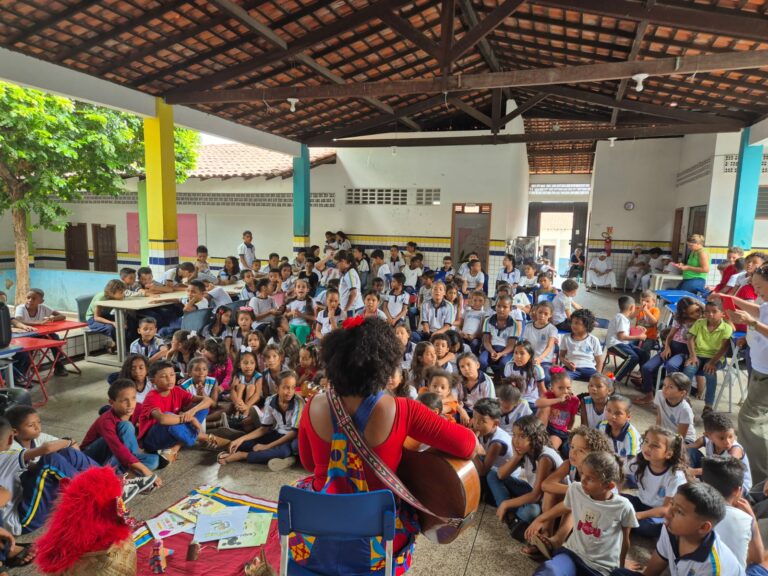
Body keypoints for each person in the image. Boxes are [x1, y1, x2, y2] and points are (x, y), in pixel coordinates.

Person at [295, 317, 476, 574]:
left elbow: (309, 464)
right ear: (385, 364)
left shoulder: (312, 406)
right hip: (378, 543)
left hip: (318, 536)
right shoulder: (403, 410)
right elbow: (467, 445)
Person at [527, 452, 637, 575]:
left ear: (609, 485)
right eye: (582, 473)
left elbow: (625, 540)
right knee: (549, 571)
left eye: (590, 478)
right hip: (572, 554)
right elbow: (564, 507)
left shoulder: (623, 506)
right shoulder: (576, 489)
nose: (583, 480)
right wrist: (540, 519)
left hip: (601, 568)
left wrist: (621, 566)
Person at [612, 482, 743, 576]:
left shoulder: (712, 568)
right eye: (672, 505)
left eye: (679, 512)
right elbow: (657, 562)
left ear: (703, 527)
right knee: (617, 573)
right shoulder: (670, 528)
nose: (668, 514)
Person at [721, 265, 768, 484]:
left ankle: (760, 477)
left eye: (759, 286)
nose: (757, 292)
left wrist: (752, 324)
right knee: (758, 420)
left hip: (765, 375)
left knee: (749, 420)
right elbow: (759, 310)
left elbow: (757, 319)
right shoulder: (765, 303)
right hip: (759, 369)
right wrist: (729, 298)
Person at [489, 415, 563, 540]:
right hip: (533, 492)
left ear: (535, 438)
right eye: (515, 435)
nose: (516, 440)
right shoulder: (526, 450)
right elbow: (501, 475)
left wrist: (506, 503)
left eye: (522, 436)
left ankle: (510, 512)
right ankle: (512, 517)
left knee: (529, 512)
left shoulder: (545, 457)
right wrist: (517, 457)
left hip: (548, 503)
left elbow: (536, 496)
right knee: (492, 474)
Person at [137, 360, 222, 463]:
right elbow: (163, 419)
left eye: (172, 375)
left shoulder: (177, 390)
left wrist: (192, 412)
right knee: (169, 417)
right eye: (164, 376)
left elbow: (208, 401)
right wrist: (192, 420)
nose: (169, 379)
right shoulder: (151, 397)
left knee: (202, 407)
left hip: (173, 431)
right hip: (153, 440)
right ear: (152, 381)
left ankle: (175, 448)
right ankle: (203, 438)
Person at [219, 370, 304, 470]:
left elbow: (294, 433)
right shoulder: (270, 400)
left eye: (293, 387)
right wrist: (241, 439)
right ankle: (236, 449)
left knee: (283, 452)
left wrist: (266, 446)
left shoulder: (298, 402)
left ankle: (243, 455)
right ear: (277, 388)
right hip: (277, 433)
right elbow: (263, 429)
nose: (290, 391)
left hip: (291, 438)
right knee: (243, 443)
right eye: (286, 387)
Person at [81, 379, 161, 479]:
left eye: (133, 398)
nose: (130, 404)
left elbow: (152, 422)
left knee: (154, 460)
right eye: (124, 400)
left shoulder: (137, 408)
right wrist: (145, 470)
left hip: (117, 455)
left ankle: (123, 472)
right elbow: (117, 448)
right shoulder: (106, 420)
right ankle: (121, 472)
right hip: (92, 457)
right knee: (126, 426)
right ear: (111, 402)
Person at [701, 456, 768, 574]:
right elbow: (758, 558)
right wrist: (752, 520)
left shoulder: (685, 508)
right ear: (738, 491)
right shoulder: (745, 519)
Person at [623, 425, 688, 539]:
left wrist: (639, 515)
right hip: (641, 503)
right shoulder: (638, 461)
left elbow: (666, 509)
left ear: (668, 454)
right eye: (646, 441)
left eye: (655, 446)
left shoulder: (675, 476)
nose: (647, 447)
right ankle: (627, 521)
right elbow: (620, 478)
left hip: (660, 513)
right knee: (617, 499)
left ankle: (627, 521)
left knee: (650, 526)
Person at [636, 296, 703, 406]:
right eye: (692, 313)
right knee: (646, 368)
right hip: (671, 347)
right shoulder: (679, 319)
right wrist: (667, 347)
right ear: (684, 313)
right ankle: (649, 395)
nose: (697, 314)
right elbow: (670, 336)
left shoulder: (702, 322)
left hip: (684, 351)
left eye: (697, 310)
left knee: (672, 366)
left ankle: (670, 397)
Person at [683, 300, 733, 412]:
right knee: (688, 370)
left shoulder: (726, 328)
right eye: (707, 312)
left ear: (722, 313)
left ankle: (708, 405)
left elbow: (724, 348)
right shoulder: (700, 323)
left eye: (714, 311)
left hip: (716, 357)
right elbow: (690, 339)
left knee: (709, 373)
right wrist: (693, 356)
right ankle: (684, 399)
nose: (710, 314)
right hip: (698, 355)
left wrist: (712, 362)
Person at [688, 412, 752, 495]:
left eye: (731, 436)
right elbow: (689, 447)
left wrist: (694, 471)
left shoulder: (735, 450)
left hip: (735, 486)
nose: (728, 442)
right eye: (722, 438)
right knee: (691, 452)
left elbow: (724, 470)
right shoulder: (706, 440)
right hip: (714, 476)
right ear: (708, 436)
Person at [11, 288, 68, 377]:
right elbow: (18, 321)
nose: (30, 300)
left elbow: (62, 316)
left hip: (40, 334)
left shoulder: (43, 307)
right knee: (27, 350)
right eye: (28, 297)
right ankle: (23, 372)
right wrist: (37, 323)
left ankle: (58, 364)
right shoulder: (21, 308)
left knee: (54, 337)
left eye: (34, 298)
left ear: (41, 301)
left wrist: (51, 318)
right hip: (26, 336)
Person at [605, 296, 649, 383]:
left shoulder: (623, 317)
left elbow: (631, 317)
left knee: (644, 354)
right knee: (632, 357)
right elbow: (621, 337)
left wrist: (640, 310)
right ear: (632, 307)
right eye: (635, 307)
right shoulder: (621, 318)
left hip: (623, 343)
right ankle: (612, 378)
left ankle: (642, 377)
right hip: (614, 344)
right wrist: (638, 337)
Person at [535, 368, 579, 451]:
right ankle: (539, 435)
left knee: (549, 449)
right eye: (560, 388)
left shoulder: (574, 400)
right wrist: (558, 400)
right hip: (546, 427)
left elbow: (572, 418)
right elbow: (537, 403)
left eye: (568, 388)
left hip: (559, 432)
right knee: (545, 406)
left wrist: (568, 430)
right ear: (552, 388)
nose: (565, 391)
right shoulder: (549, 395)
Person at [597, 395, 640, 474]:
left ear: (628, 416)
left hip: (629, 469)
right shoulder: (602, 426)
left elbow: (631, 460)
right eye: (609, 411)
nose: (612, 416)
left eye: (618, 413)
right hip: (611, 463)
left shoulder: (631, 435)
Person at [473, 398, 514, 479]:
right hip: (492, 467)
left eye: (482, 421)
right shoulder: (483, 430)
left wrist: (472, 446)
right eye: (474, 417)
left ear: (495, 423)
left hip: (506, 477)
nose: (476, 424)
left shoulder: (497, 444)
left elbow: (483, 472)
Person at [479, 295, 520, 376]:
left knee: (504, 363)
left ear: (510, 309)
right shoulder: (488, 320)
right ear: (495, 307)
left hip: (506, 351)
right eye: (499, 306)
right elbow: (486, 341)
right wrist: (491, 351)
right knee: (482, 361)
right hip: (490, 349)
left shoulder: (514, 324)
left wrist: (501, 354)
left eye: (505, 307)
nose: (501, 309)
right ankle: (482, 380)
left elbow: (511, 345)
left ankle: (503, 382)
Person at [559, 309, 604, 381]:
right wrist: (567, 363)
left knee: (602, 383)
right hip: (570, 369)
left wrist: (597, 376)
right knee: (560, 380)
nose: (573, 325)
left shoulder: (593, 340)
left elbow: (599, 361)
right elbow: (561, 356)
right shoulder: (566, 337)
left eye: (577, 323)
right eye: (572, 322)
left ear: (586, 325)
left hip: (589, 369)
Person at [504, 340, 547, 412]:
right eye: (516, 353)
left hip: (531, 401)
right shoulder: (509, 366)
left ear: (530, 356)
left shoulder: (536, 369)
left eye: (522, 353)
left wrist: (545, 406)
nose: (518, 356)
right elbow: (507, 387)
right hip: (514, 400)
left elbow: (542, 391)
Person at [654, 373, 696, 444]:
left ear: (682, 393)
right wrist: (656, 433)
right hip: (668, 434)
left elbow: (680, 437)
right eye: (664, 385)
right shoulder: (659, 394)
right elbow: (659, 416)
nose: (665, 389)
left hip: (685, 439)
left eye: (670, 387)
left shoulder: (685, 409)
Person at [86, 279, 127, 350]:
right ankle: (120, 348)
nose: (123, 294)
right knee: (111, 328)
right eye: (121, 293)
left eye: (123, 292)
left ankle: (119, 346)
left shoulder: (115, 296)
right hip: (92, 319)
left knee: (129, 321)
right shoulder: (101, 298)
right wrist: (113, 323)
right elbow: (97, 317)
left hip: (105, 316)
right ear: (112, 292)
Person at [335, 250, 364, 317]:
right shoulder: (347, 273)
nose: (336, 266)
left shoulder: (350, 273)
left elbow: (353, 293)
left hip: (353, 309)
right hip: (351, 309)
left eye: (337, 263)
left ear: (343, 261)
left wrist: (345, 309)